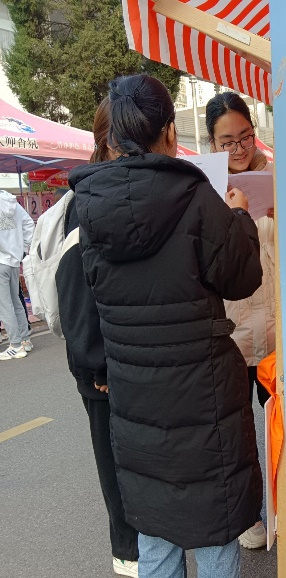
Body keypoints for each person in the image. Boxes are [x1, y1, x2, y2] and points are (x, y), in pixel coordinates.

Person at [68, 74, 263, 578]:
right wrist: (239, 218)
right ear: (171, 133)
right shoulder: (196, 196)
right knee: (215, 529)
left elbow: (92, 299)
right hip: (205, 399)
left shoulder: (89, 206)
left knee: (155, 530)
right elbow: (241, 277)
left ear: (113, 138)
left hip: (135, 399)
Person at [56, 97, 139, 577]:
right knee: (116, 471)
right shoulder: (86, 199)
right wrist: (97, 364)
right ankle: (129, 558)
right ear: (109, 143)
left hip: (127, 360)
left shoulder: (125, 188)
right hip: (102, 368)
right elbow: (76, 291)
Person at [205, 90, 274, 549]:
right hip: (231, 329)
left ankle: (284, 504)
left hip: (276, 325)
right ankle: (250, 512)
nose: (238, 148)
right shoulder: (204, 191)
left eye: (244, 136)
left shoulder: (275, 176)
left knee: (278, 420)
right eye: (227, 141)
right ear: (213, 145)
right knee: (239, 429)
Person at [0, 190, 34, 360]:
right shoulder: (12, 203)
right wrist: (24, 248)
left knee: (5, 306)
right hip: (13, 260)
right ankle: (25, 340)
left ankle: (15, 345)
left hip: (1, 261)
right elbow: (29, 224)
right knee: (16, 302)